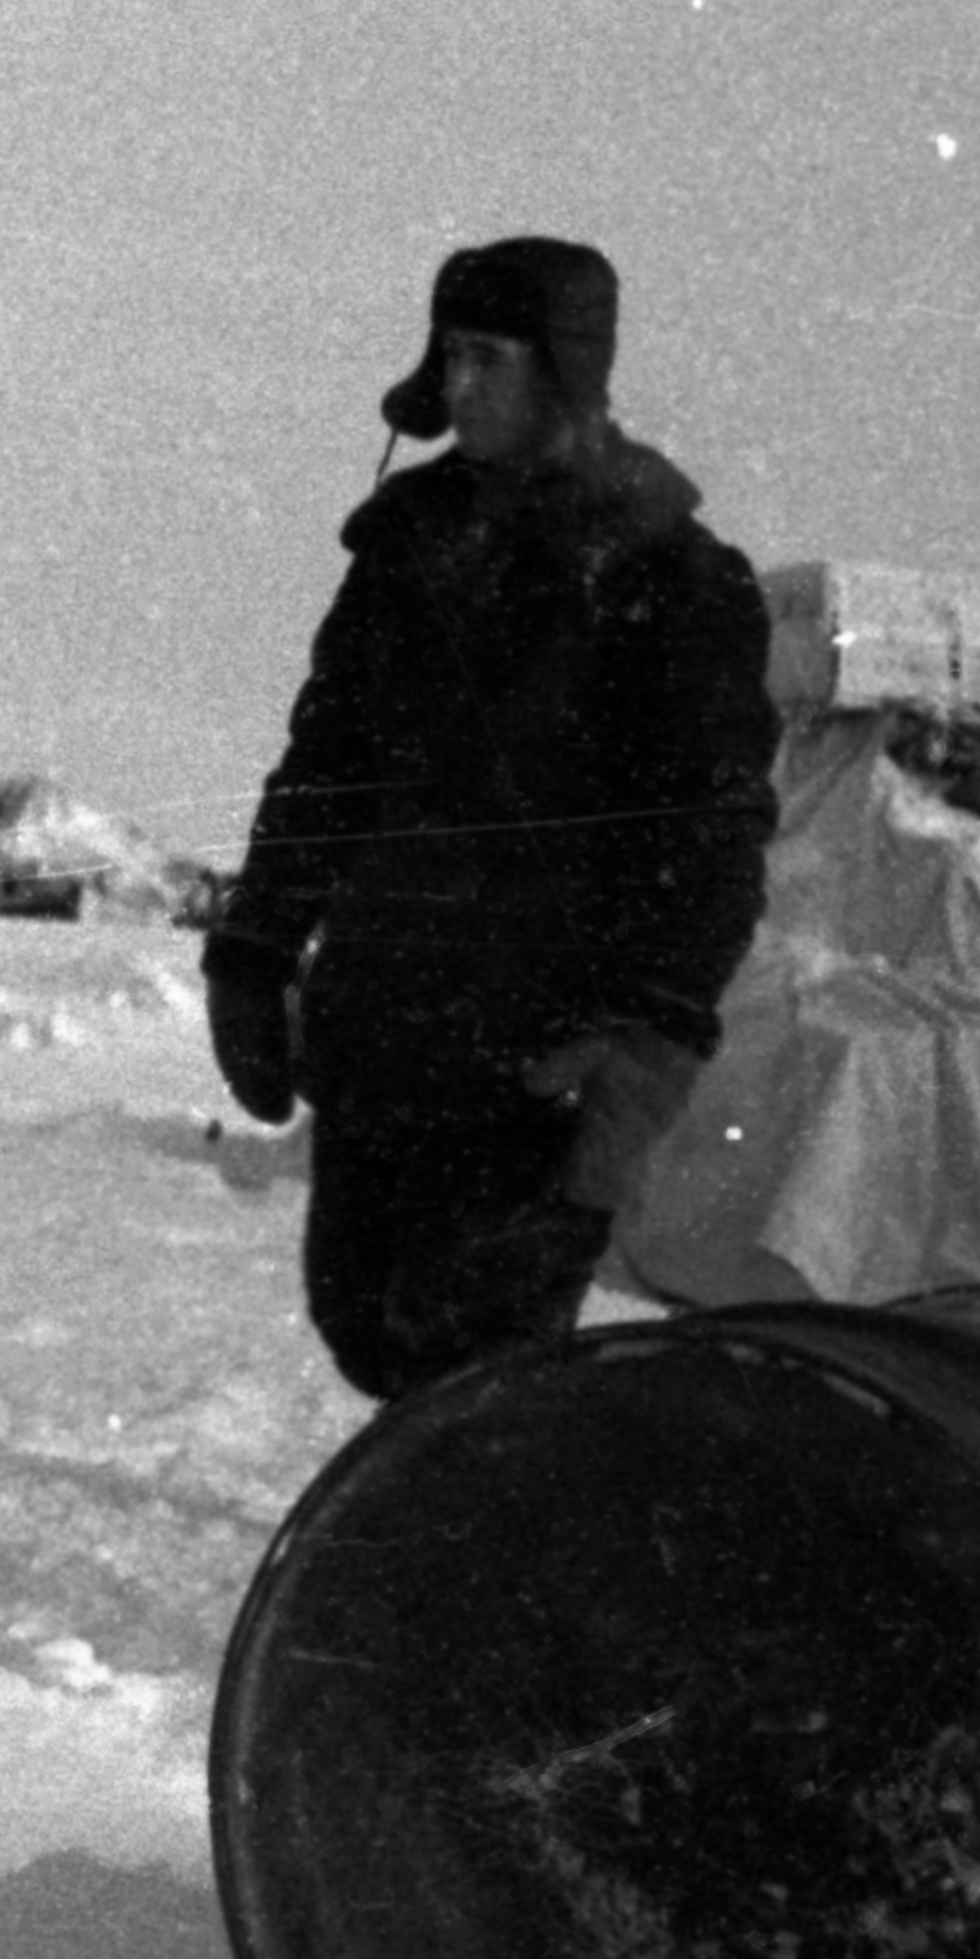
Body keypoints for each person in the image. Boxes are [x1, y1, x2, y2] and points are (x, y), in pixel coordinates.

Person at [203, 237, 780, 1401]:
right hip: (384, 1034)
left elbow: (710, 843)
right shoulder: (406, 548)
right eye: (448, 357)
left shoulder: (669, 580)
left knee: (483, 1379)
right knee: (367, 1331)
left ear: (562, 369)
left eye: (486, 359)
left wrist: (648, 1044)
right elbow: (326, 765)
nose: (457, 387)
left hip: (536, 1064)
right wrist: (254, 946)